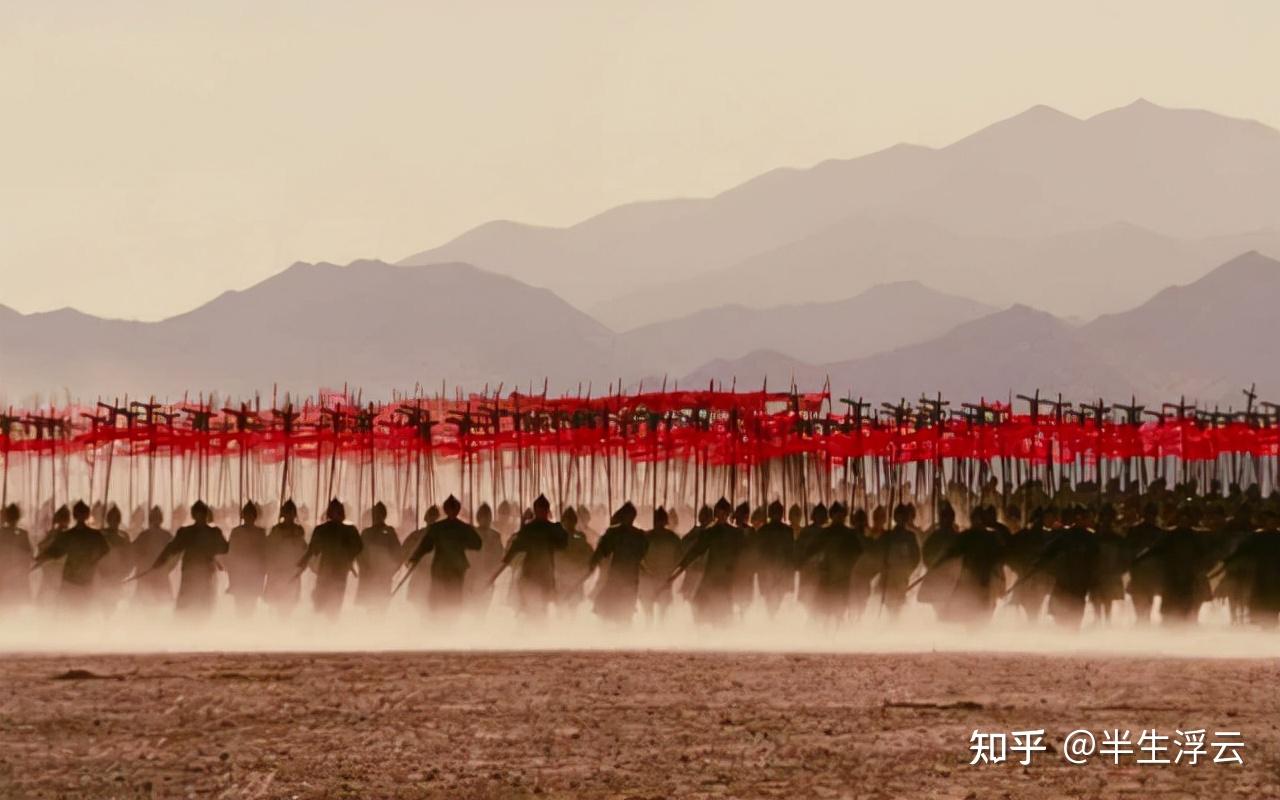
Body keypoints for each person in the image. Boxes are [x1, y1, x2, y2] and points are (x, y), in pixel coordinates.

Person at [669, 498, 746, 626]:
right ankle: (705, 635)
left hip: (727, 574)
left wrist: (740, 574)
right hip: (713, 573)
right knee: (699, 604)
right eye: (719, 513)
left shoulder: (736, 533)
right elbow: (694, 552)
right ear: (716, 514)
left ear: (728, 514)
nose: (721, 516)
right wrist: (678, 570)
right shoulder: (711, 532)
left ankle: (724, 631)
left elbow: (742, 556)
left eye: (724, 513)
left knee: (722, 606)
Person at [147, 500, 228, 618]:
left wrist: (159, 562)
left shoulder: (194, 532)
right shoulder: (211, 532)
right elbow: (225, 549)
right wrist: (159, 562)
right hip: (198, 573)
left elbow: (171, 549)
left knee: (197, 604)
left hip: (199, 573)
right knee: (197, 604)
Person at [494, 495, 567, 618]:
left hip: (534, 574)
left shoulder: (530, 529)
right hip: (541, 574)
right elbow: (563, 545)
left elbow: (513, 551)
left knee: (533, 608)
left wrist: (495, 574)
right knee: (538, 608)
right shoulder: (551, 528)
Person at [405, 495, 481, 613]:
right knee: (449, 598)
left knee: (442, 599)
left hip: (444, 567)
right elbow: (477, 544)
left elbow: (425, 546)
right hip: (453, 568)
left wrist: (414, 558)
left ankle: (442, 621)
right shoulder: (463, 528)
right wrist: (462, 543)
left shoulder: (438, 528)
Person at [33, 500, 108, 610]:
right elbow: (105, 555)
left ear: (74, 515)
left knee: (68, 616)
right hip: (86, 582)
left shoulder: (68, 536)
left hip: (71, 582)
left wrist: (36, 561)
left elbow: (52, 553)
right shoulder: (96, 536)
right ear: (87, 515)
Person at [584, 502, 649, 624]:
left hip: (621, 577)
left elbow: (602, 551)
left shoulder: (615, 533)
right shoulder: (639, 535)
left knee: (612, 608)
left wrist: (593, 563)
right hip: (628, 577)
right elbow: (641, 555)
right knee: (615, 608)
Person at [800, 502, 864, 622]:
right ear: (832, 516)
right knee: (824, 609)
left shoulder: (850, 535)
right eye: (836, 515)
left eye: (841, 515)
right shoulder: (825, 533)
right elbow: (810, 551)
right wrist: (818, 560)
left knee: (840, 608)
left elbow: (858, 553)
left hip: (843, 577)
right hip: (826, 575)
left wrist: (849, 565)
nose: (839, 518)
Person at [298, 498, 363, 617]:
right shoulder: (344, 530)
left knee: (326, 603)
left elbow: (311, 551)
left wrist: (301, 564)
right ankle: (326, 628)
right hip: (335, 571)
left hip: (332, 571)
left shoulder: (324, 530)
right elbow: (312, 550)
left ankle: (326, 629)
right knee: (328, 604)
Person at [356, 501, 401, 612]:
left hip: (383, 576)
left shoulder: (389, 532)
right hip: (370, 575)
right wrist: (364, 567)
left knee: (381, 607)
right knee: (371, 607)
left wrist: (391, 570)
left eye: (379, 514)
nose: (377, 516)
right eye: (375, 514)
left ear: (384, 515)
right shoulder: (366, 533)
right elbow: (359, 554)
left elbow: (398, 554)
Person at [264, 499, 307, 614]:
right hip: (278, 570)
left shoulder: (298, 531)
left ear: (294, 514)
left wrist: (301, 566)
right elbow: (269, 549)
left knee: (288, 604)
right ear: (283, 513)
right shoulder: (276, 530)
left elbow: (303, 550)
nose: (289, 515)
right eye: (287, 512)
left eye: (291, 512)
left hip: (292, 571)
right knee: (278, 602)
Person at [639, 507, 683, 621]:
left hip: (659, 576)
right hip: (656, 576)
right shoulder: (672, 538)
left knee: (656, 608)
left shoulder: (647, 537)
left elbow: (679, 559)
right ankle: (655, 626)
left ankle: (656, 626)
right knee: (654, 608)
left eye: (659, 519)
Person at [877, 503, 921, 617]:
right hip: (888, 576)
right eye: (899, 516)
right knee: (889, 603)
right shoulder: (887, 536)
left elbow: (915, 557)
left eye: (903, 517)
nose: (901, 519)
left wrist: (907, 571)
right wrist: (883, 566)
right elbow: (877, 554)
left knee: (898, 605)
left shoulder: (910, 536)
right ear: (895, 518)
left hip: (902, 576)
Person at [225, 501, 268, 616]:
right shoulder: (236, 532)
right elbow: (231, 552)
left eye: (251, 514)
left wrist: (264, 570)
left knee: (251, 604)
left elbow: (264, 553)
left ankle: (246, 628)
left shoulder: (260, 532)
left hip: (255, 572)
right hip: (240, 572)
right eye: (247, 514)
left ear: (255, 516)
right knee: (240, 604)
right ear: (243, 516)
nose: (249, 517)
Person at [753, 500, 795, 615]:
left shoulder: (764, 531)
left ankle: (772, 621)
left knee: (774, 602)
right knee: (772, 601)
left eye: (778, 512)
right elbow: (758, 552)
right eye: (775, 512)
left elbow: (790, 554)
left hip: (776, 571)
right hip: (771, 571)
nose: (777, 514)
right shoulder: (786, 531)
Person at [130, 507, 175, 605]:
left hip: (149, 576)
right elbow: (175, 556)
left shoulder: (144, 535)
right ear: (161, 519)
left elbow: (132, 553)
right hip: (157, 576)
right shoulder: (167, 536)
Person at [465, 502, 505, 607]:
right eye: (484, 516)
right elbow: (467, 555)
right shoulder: (471, 534)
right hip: (473, 577)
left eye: (488, 517)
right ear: (478, 518)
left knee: (483, 607)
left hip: (488, 576)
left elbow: (499, 557)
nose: (486, 519)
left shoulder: (495, 536)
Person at [555, 506, 594, 610]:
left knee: (567, 611)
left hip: (572, 582)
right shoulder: (560, 538)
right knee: (566, 611)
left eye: (570, 520)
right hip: (566, 582)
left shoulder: (579, 537)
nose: (568, 523)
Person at [400, 505, 439, 607]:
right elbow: (404, 552)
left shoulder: (442, 537)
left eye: (433, 517)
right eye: (431, 517)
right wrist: (409, 562)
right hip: (420, 575)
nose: (432, 520)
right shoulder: (416, 535)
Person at [97, 505, 133, 611]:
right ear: (108, 520)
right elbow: (93, 557)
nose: (113, 521)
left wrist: (123, 574)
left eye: (115, 519)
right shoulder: (100, 535)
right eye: (112, 519)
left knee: (113, 607)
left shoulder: (123, 536)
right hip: (102, 578)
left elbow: (130, 559)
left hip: (116, 578)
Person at [0, 503, 33, 606]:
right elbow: (28, 554)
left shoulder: (2, 533)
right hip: (17, 576)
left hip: (5, 574)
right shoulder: (23, 534)